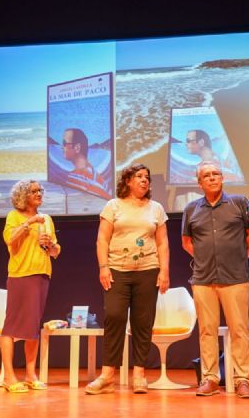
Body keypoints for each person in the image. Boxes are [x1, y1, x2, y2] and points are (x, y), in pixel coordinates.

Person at [85, 163, 170, 395]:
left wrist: (164, 271)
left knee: (143, 322)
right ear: (128, 181)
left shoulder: (156, 208)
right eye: (139, 176)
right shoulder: (113, 206)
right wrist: (104, 267)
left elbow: (162, 242)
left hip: (148, 269)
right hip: (117, 270)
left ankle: (139, 374)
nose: (144, 180)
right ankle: (107, 375)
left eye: (147, 177)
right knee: (114, 316)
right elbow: (102, 240)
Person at [181, 162, 249, 398]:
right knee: (207, 331)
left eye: (216, 174)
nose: (212, 178)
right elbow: (187, 242)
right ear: (200, 182)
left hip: (235, 277)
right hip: (203, 279)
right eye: (207, 175)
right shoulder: (191, 208)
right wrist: (206, 258)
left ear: (223, 178)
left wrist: (239, 258)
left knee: (239, 329)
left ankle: (242, 379)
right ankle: (210, 378)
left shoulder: (238, 203)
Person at [0, 180, 60, 393]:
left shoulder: (47, 219)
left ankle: (30, 374)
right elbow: (10, 238)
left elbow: (55, 251)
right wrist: (30, 223)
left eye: (40, 190)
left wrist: (50, 245)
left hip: (42, 274)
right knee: (12, 326)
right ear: (23, 195)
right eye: (34, 191)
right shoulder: (14, 216)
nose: (39, 194)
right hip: (21, 274)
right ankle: (8, 376)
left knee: (33, 327)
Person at [62, 127, 111, 199]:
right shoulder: (95, 175)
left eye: (64, 143)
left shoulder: (75, 178)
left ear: (77, 148)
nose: (62, 147)